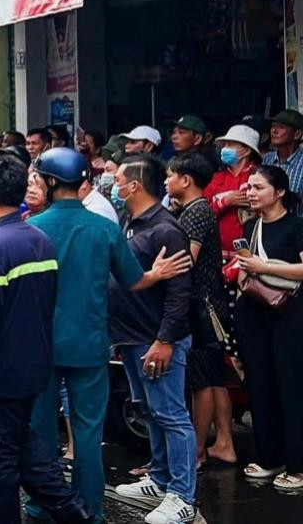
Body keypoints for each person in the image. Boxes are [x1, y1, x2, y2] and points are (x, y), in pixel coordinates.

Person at [26, 149, 190, 523]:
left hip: (42, 346)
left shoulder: (33, 229)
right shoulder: (106, 228)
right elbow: (135, 280)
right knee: (87, 434)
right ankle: (90, 510)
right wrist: (158, 273)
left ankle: (41, 505)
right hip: (90, 346)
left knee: (41, 429)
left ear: (50, 182)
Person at [0, 156, 89, 523]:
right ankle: (75, 514)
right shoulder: (38, 240)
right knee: (26, 451)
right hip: (31, 370)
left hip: (0, 375)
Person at [110, 155, 198, 524]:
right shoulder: (129, 221)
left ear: (134, 186)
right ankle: (159, 478)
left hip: (157, 339)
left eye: (117, 179)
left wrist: (164, 340)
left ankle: (182, 496)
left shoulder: (166, 229)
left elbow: (181, 294)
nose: (112, 184)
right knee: (150, 411)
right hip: (131, 337)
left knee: (171, 415)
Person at [164, 153, 236, 470]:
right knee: (214, 377)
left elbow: (186, 262)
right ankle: (224, 444)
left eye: (170, 175)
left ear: (186, 180)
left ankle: (196, 452)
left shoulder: (195, 213)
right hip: (209, 304)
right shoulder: (196, 210)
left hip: (202, 307)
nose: (166, 181)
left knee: (201, 380)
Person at [233, 165, 303, 490]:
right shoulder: (250, 226)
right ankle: (269, 457)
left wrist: (264, 266)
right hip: (253, 313)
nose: (250, 192)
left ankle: (298, 466)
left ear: (279, 192)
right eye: (248, 187)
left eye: (258, 187)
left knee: (290, 388)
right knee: (260, 387)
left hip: (288, 315)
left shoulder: (296, 226)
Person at [205, 124, 261, 258]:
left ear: (246, 150)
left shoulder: (259, 177)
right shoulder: (216, 178)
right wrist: (225, 202)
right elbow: (203, 214)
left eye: (230, 145)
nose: (224, 149)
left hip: (252, 256)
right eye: (224, 145)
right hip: (217, 254)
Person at [262, 109, 303, 206]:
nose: (274, 131)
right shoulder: (267, 159)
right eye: (273, 126)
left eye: (281, 127)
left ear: (297, 134)